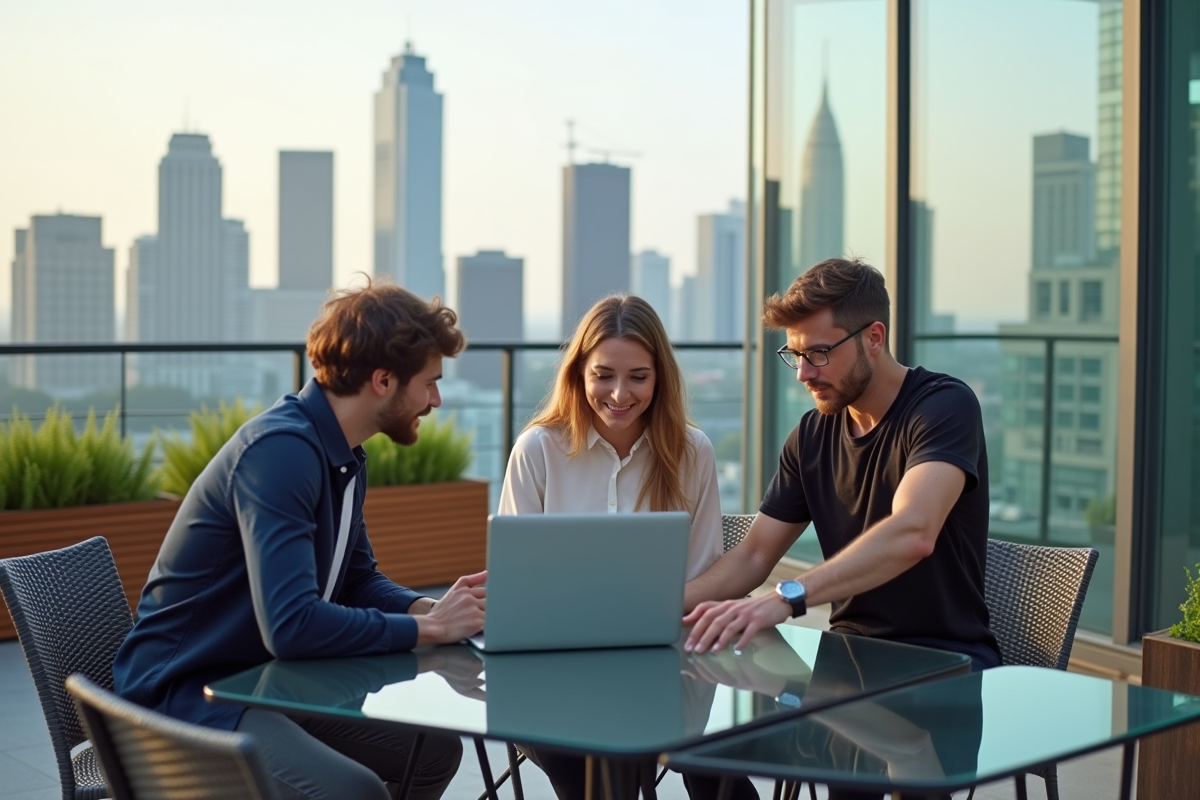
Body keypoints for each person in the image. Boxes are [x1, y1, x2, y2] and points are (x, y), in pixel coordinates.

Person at [112, 279, 487, 800]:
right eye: (430, 383)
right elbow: (291, 626)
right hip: (186, 699)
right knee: (354, 792)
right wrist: (427, 630)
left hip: (262, 682)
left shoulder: (342, 454)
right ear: (383, 380)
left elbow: (356, 580)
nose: (436, 400)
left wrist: (429, 610)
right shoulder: (281, 454)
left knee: (433, 753)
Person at [684, 258, 997, 800]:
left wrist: (786, 598)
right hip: (845, 664)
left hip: (944, 666)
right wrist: (651, 609)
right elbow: (754, 556)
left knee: (898, 754)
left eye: (819, 353)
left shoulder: (944, 407)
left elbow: (913, 531)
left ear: (874, 337)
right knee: (701, 746)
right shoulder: (811, 435)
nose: (803, 374)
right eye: (795, 355)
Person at [497, 294, 726, 800]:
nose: (619, 394)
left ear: (659, 378)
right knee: (588, 767)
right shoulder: (538, 449)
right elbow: (517, 588)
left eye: (638, 377)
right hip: (552, 674)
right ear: (579, 374)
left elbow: (705, 574)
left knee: (716, 769)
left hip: (666, 667)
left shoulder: (693, 452)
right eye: (603, 375)